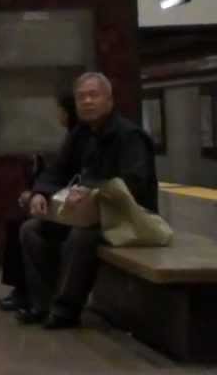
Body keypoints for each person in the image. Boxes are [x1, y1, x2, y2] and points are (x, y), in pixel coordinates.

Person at [16, 73, 158, 329]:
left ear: (110, 100)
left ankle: (65, 310)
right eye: (82, 97)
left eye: (94, 95)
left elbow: (135, 182)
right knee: (32, 229)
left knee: (81, 237)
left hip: (124, 219)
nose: (87, 101)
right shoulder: (81, 134)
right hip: (86, 214)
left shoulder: (130, 137)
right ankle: (42, 303)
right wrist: (41, 192)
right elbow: (57, 170)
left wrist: (92, 190)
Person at [0, 95, 71, 312]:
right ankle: (22, 290)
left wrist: (38, 194)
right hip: (52, 199)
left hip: (66, 205)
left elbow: (65, 177)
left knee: (24, 226)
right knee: (16, 223)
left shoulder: (68, 141)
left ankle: (28, 294)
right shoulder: (48, 144)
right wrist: (34, 193)